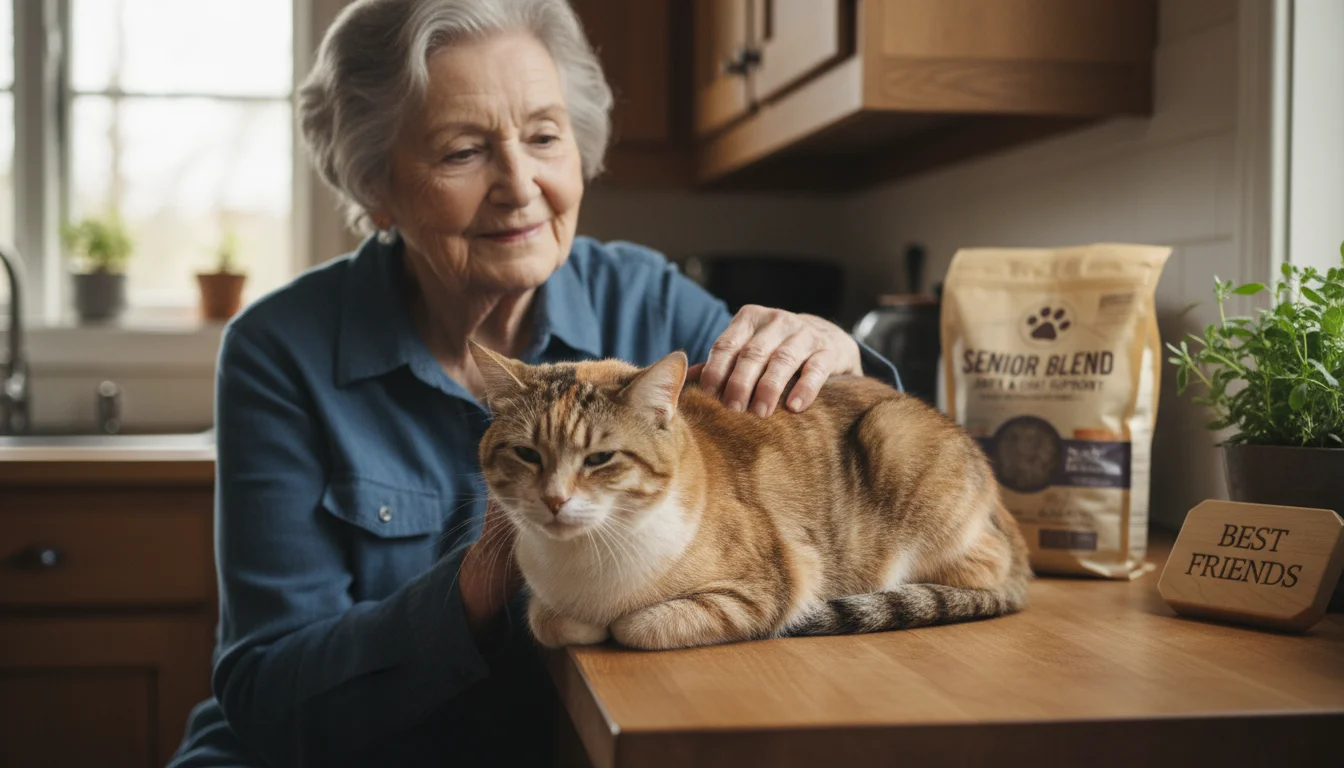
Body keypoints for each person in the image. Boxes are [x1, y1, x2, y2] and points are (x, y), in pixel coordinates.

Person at [168, 0, 899, 765]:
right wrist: (479, 584)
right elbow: (265, 694)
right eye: (461, 152)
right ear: (375, 184)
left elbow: (884, 488)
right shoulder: (280, 351)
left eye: (545, 137)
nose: (520, 185)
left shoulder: (647, 302)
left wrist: (833, 357)